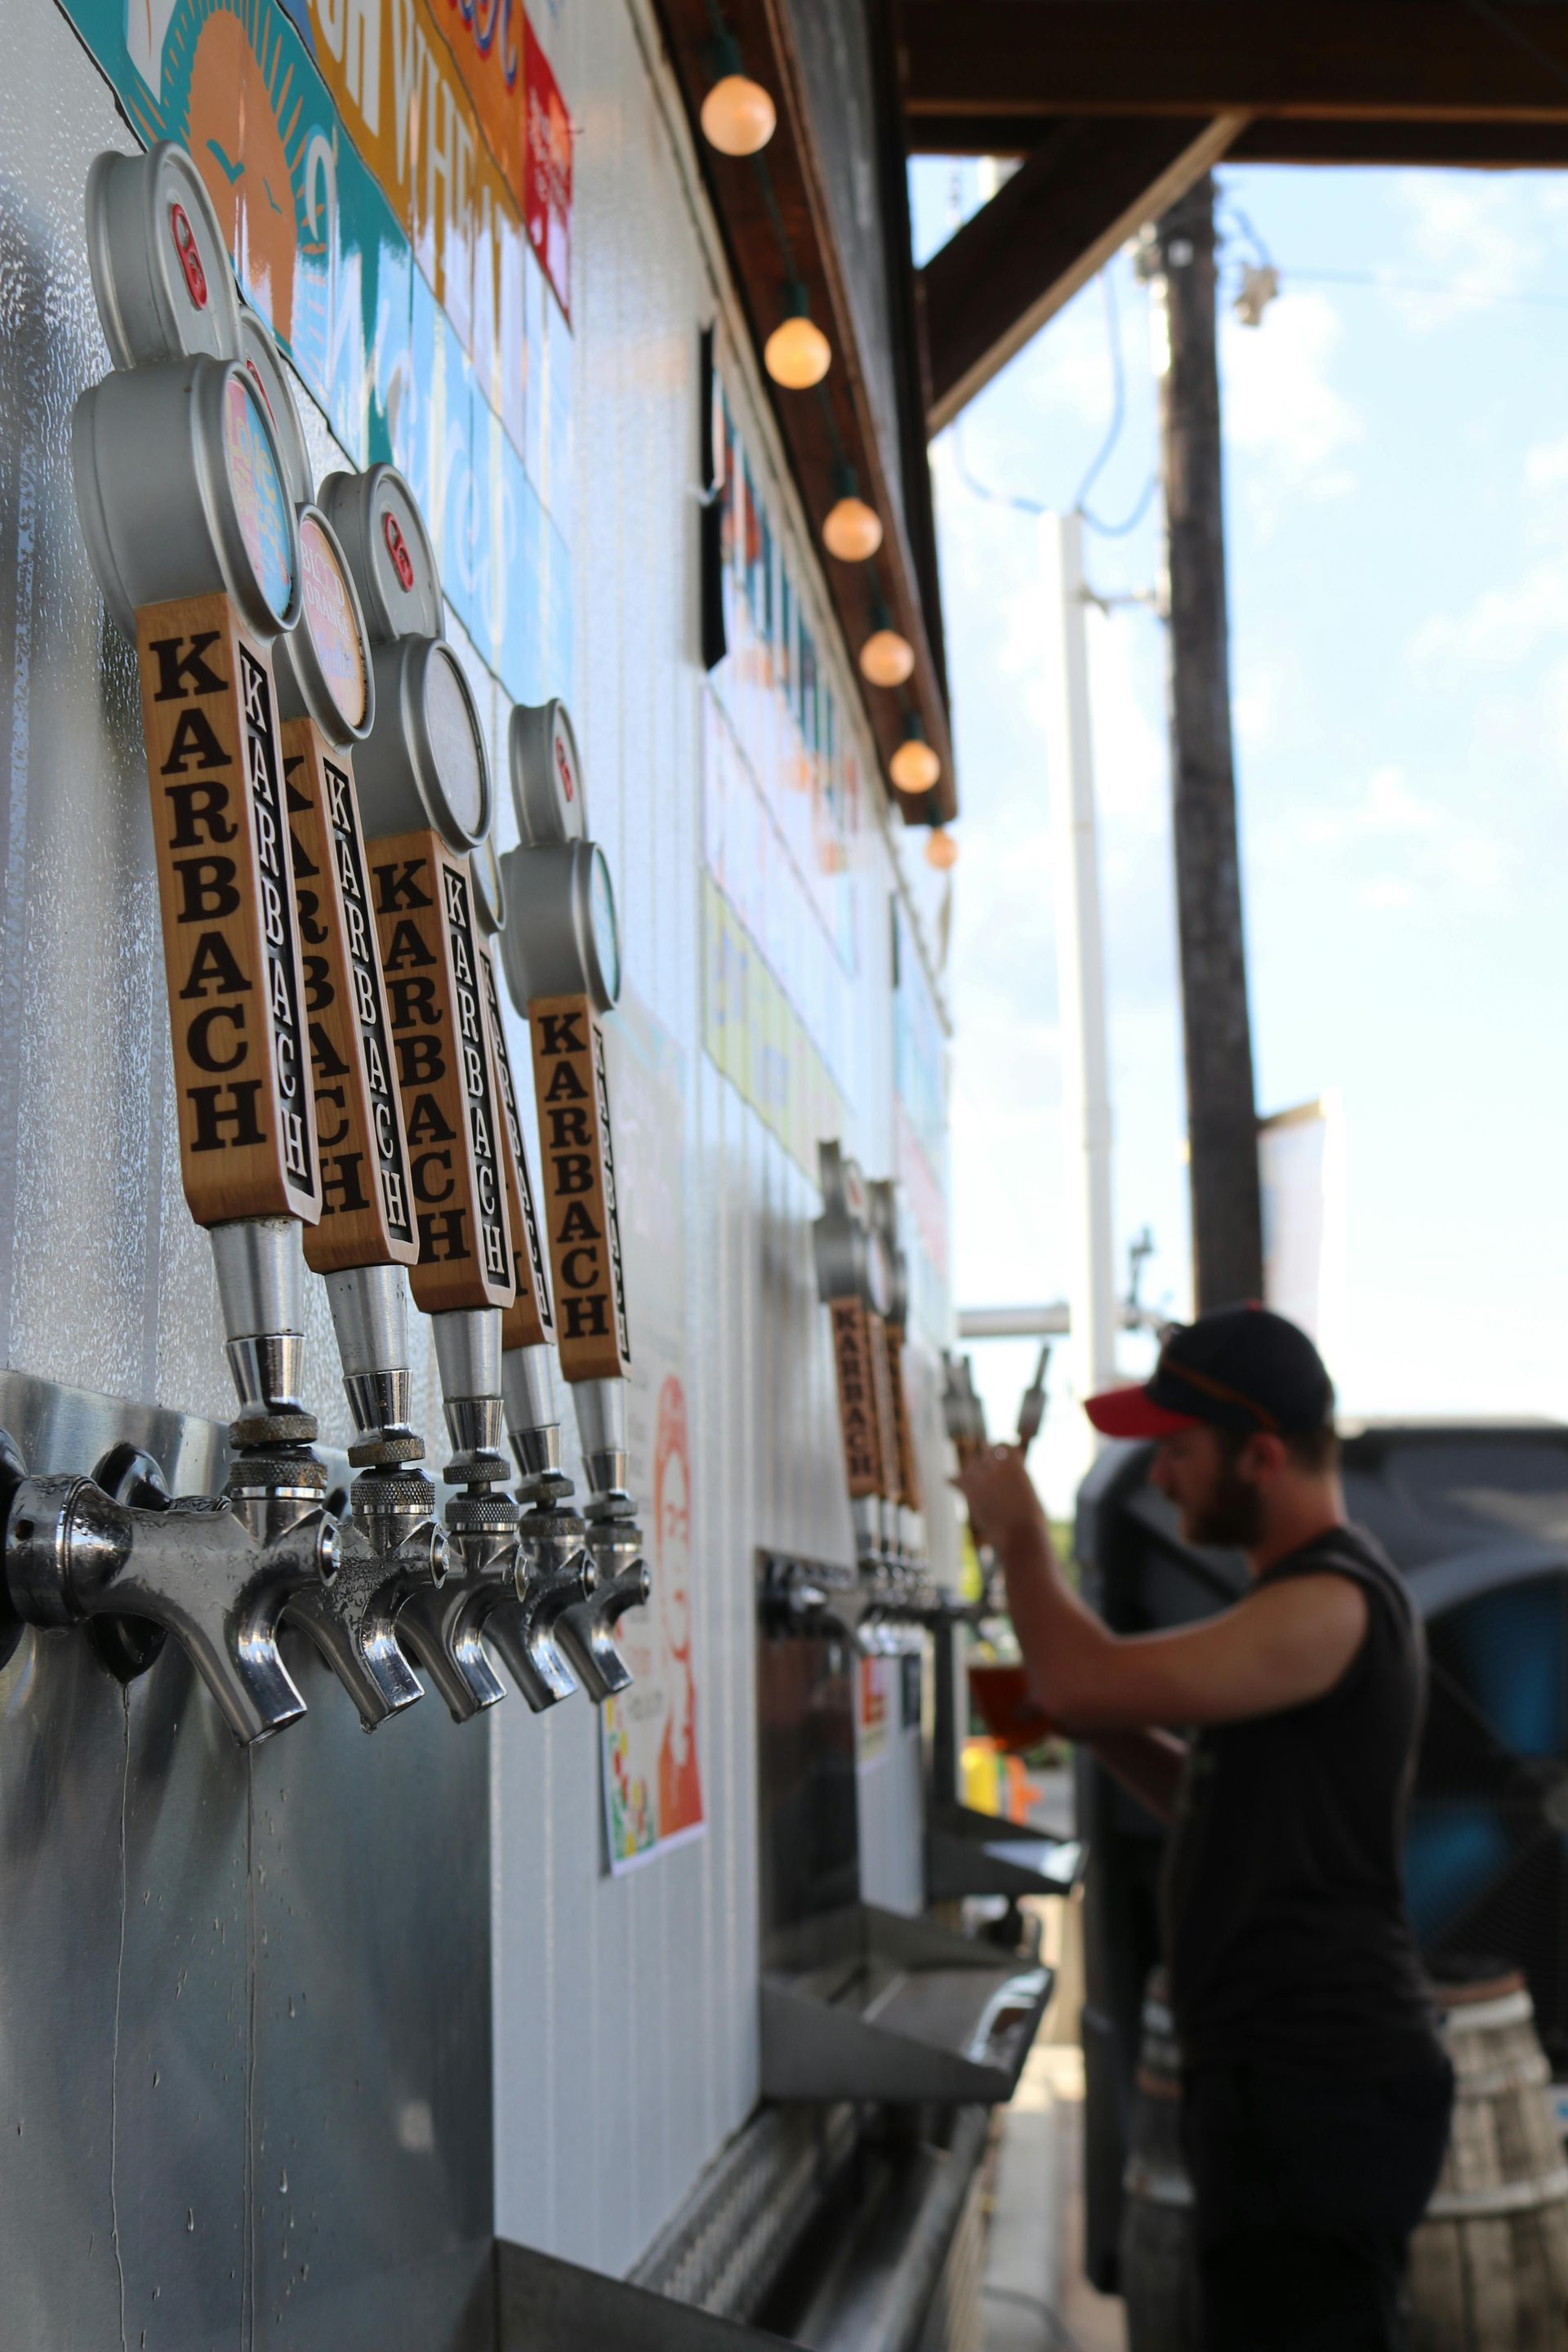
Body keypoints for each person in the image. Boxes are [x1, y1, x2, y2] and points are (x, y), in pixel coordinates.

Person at [955, 1303, 1454, 2352]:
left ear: (1261, 1455)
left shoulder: (1329, 1602)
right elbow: (1207, 1796)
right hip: (1288, 2085)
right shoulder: (1307, 1603)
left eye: (1176, 1451)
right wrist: (1090, 1725)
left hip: (1320, 2089)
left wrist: (1016, 1539)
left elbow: (1084, 1676)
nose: (1164, 1477)